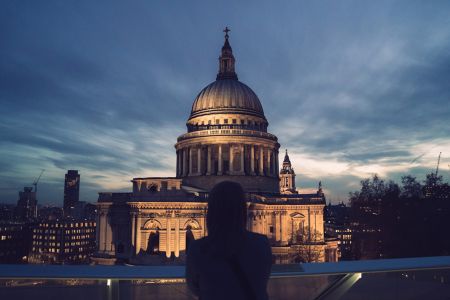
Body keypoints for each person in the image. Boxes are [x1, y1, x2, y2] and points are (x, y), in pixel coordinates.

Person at [186, 181, 272, 300]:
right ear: (243, 209)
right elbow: (263, 279)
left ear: (211, 211)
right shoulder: (261, 244)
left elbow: (194, 287)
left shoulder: (198, 249)